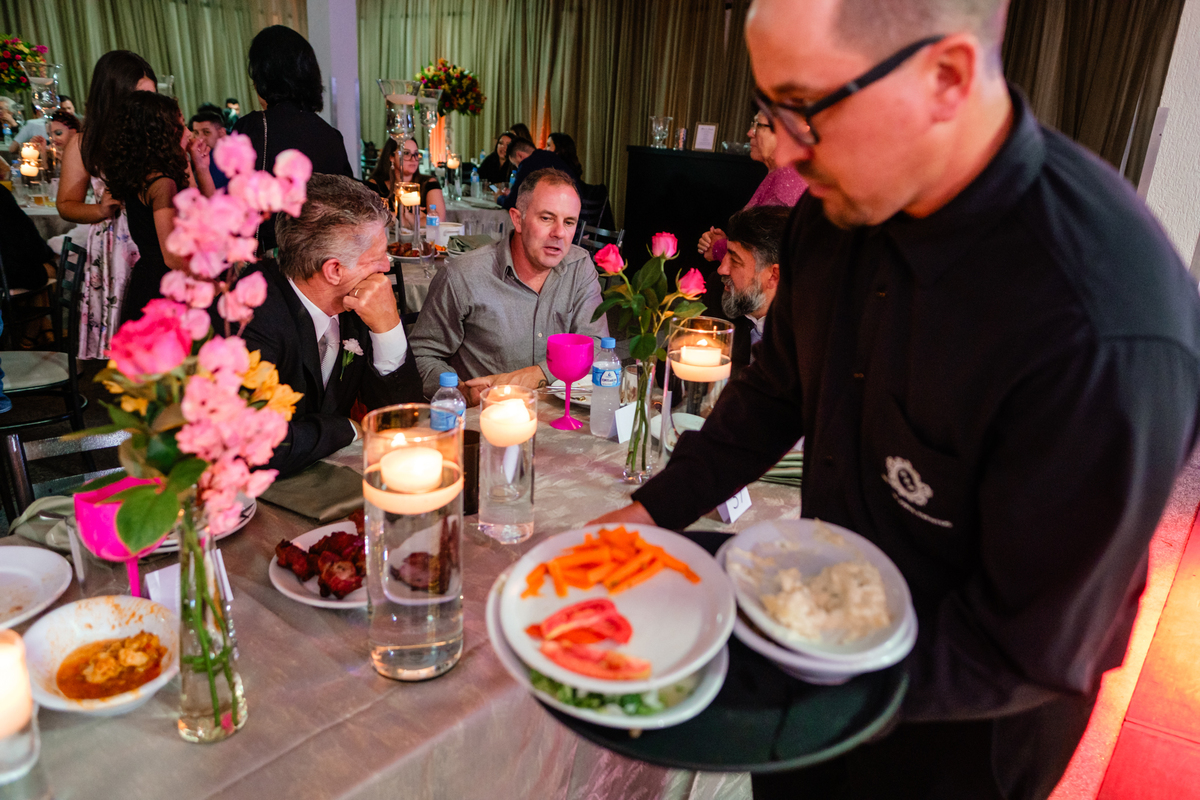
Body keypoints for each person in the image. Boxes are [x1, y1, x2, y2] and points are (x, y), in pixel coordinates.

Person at [594, 0, 1200, 798]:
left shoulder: (1102, 328)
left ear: (945, 77)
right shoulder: (835, 209)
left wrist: (777, 691)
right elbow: (777, 389)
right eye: (771, 111)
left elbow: (1029, 645)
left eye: (803, 111)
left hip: (959, 740)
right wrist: (647, 516)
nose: (778, 147)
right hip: (820, 641)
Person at [236, 174, 422, 476]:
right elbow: (257, 447)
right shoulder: (251, 316)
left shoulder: (356, 301)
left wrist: (388, 328)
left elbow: (401, 419)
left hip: (329, 482)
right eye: (377, 259)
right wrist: (346, 429)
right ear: (334, 270)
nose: (386, 268)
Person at [410, 168, 608, 403]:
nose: (559, 233)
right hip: (487, 420)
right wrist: (461, 392)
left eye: (569, 222)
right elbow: (420, 355)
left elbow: (598, 347)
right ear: (517, 219)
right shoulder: (463, 276)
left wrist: (535, 376)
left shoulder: (580, 266)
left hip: (560, 419)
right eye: (546, 218)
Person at [56, 50, 158, 359]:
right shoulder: (85, 142)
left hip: (158, 236)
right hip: (115, 243)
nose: (147, 107)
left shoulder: (158, 133)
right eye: (140, 97)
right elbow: (66, 205)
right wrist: (100, 209)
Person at [233, 25, 354, 253]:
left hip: (271, 269)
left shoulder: (252, 128)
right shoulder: (331, 136)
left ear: (263, 77)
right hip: (320, 266)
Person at [101, 91, 211, 324]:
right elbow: (171, 256)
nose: (189, 134)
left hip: (148, 278)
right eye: (182, 127)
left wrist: (200, 168)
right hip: (165, 284)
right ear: (162, 134)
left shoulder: (144, 172)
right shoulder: (162, 183)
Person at [697, 109, 809, 263]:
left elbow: (768, 254)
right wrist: (727, 242)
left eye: (758, 126)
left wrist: (720, 247)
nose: (750, 133)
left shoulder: (789, 177)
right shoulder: (778, 174)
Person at [717, 205, 789, 378]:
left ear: (773, 275)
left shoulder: (808, 337)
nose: (722, 269)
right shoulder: (717, 291)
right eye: (726, 253)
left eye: (734, 259)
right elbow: (667, 374)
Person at [364, 137, 444, 218]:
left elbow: (439, 220)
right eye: (406, 153)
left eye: (416, 154)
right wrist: (414, 218)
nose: (413, 159)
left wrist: (392, 217)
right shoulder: (376, 185)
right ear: (391, 157)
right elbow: (370, 219)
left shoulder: (429, 183)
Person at [496, 139, 578, 210]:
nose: (518, 167)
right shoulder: (552, 157)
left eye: (516, 164)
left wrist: (499, 198)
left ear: (519, 155)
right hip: (573, 210)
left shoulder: (527, 164)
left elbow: (513, 203)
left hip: (554, 212)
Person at [189, 108, 229, 190]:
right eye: (196, 133)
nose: (200, 139)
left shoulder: (232, 161)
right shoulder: (197, 157)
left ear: (222, 133)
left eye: (206, 132)